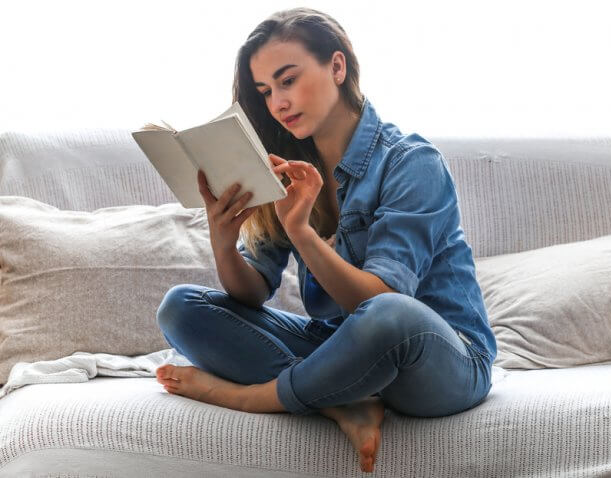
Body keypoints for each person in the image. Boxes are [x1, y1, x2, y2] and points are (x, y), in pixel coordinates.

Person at [154, 7, 496, 474]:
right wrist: (222, 238)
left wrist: (303, 233)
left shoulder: (411, 162)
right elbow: (252, 293)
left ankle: (257, 397)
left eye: (288, 80)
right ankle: (340, 401)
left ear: (337, 67)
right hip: (344, 347)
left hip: (443, 357)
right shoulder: (288, 167)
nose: (277, 102)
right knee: (181, 308)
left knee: (387, 315)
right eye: (265, 91)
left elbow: (384, 301)